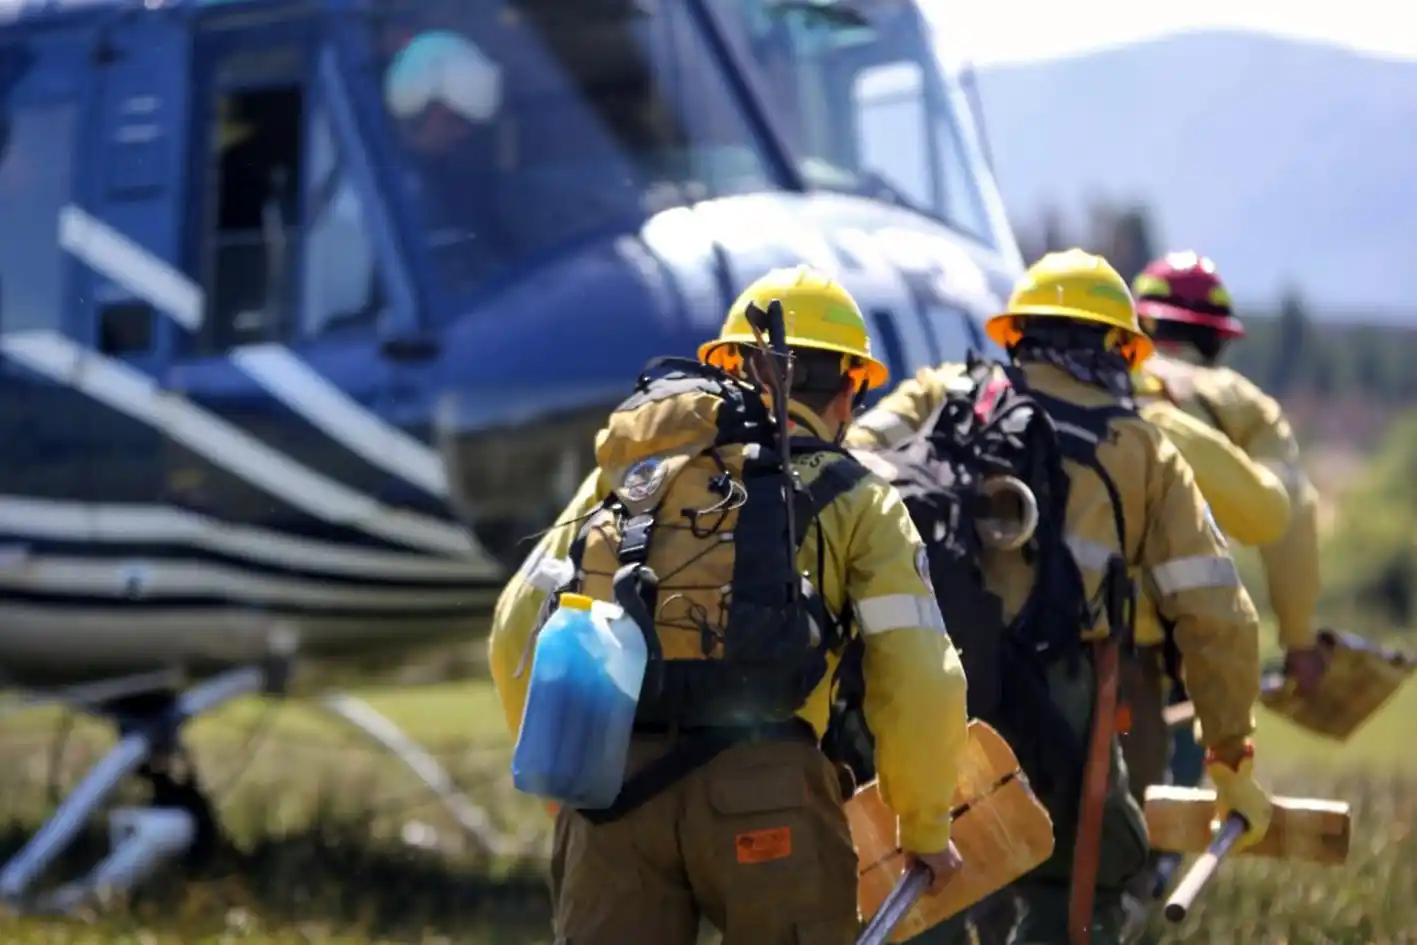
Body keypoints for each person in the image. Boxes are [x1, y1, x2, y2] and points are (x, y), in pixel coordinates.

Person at [488, 264, 969, 944]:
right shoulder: (859, 497)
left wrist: (565, 782)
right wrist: (923, 826)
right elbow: (919, 674)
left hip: (610, 792)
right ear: (847, 392)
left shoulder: (631, 477)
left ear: (729, 371)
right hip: (767, 793)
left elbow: (516, 628)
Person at [846, 249, 1273, 945]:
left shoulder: (943, 393)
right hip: (1061, 699)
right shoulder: (1141, 448)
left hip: (917, 682)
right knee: (1088, 877)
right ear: (1120, 347)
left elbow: (844, 469)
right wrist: (1229, 756)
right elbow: (1216, 615)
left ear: (1016, 333)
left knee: (913, 875)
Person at [1118, 373, 1293, 921]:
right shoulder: (1158, 431)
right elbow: (1273, 513)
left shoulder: (980, 408)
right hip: (1124, 668)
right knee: (1117, 850)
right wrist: (1230, 764)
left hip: (990, 675)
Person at [1132, 251, 1329, 698]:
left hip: (1072, 624)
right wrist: (1299, 640)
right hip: (1180, 639)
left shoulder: (1097, 383)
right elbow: (1290, 512)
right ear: (1216, 337)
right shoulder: (1240, 403)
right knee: (1171, 764)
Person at [382, 28, 508, 286]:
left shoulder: (465, 183)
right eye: (454, 120)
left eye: (471, 124)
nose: (463, 134)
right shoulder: (378, 191)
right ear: (414, 106)